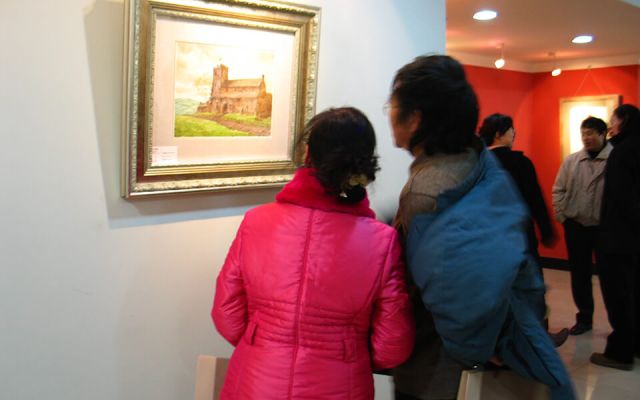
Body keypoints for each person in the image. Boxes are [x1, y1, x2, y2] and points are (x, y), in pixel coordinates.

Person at [388, 55, 575, 400]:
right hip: (480, 352)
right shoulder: (480, 163)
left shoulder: (426, 190)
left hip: (438, 366)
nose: (389, 113)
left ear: (415, 119)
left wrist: (481, 340)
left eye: (393, 105)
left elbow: (452, 292)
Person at [212, 107, 415, 399]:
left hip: (256, 383)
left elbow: (226, 314)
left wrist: (264, 342)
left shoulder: (255, 222)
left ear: (308, 154)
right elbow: (392, 344)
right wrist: (348, 355)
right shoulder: (382, 242)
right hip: (340, 385)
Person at [479, 114, 568, 347]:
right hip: (520, 236)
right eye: (511, 130)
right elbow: (535, 199)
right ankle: (540, 336)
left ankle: (502, 338)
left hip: (489, 238)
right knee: (531, 286)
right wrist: (546, 230)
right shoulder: (520, 163)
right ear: (499, 133)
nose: (514, 135)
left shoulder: (477, 164)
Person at [590, 104, 640, 370]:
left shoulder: (622, 152)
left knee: (618, 295)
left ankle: (620, 352)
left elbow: (620, 199)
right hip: (633, 238)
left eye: (613, 119)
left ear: (625, 120)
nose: (610, 124)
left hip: (619, 238)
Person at [552, 116, 612, 336]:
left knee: (611, 277)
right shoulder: (572, 161)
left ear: (603, 134)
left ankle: (619, 323)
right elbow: (558, 189)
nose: (586, 138)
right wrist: (562, 216)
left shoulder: (615, 159)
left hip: (605, 228)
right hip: (576, 226)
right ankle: (584, 318)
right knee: (579, 275)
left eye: (591, 133)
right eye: (583, 134)